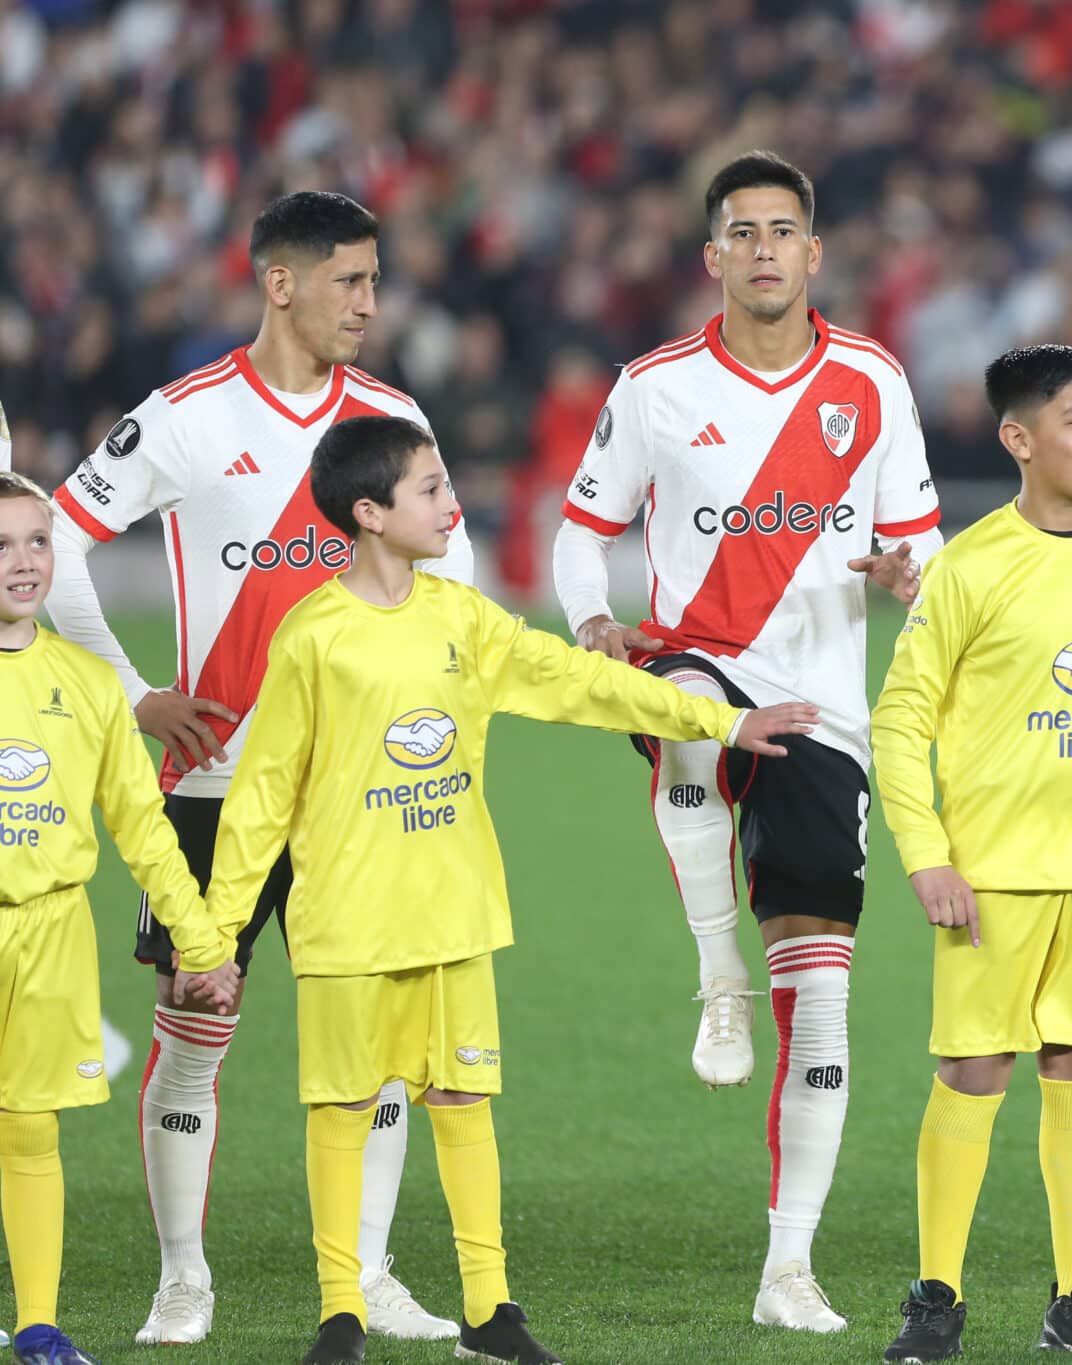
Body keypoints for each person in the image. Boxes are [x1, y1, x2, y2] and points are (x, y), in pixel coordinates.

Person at [182, 415, 818, 1365]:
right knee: (342, 1111)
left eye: (447, 483)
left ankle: (490, 1310)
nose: (451, 502)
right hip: (348, 927)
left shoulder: (461, 618)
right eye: (430, 488)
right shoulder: (314, 636)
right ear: (369, 512)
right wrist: (216, 939)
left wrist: (719, 721)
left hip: (454, 915)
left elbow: (580, 682)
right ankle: (339, 1313)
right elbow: (263, 797)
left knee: (464, 1102)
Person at [44, 190, 472, 1346]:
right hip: (209, 787)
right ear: (280, 283)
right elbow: (56, 537)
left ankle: (372, 1273)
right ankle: (183, 1275)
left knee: (379, 1046)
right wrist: (136, 693)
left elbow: (457, 579)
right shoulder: (184, 416)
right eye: (349, 280)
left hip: (359, 793)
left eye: (375, 280)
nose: (369, 303)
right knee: (194, 1020)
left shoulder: (391, 414)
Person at [552, 150, 941, 1331]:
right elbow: (581, 529)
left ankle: (787, 1269)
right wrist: (590, 620)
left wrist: (898, 574)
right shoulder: (657, 383)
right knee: (677, 722)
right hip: (692, 662)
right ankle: (714, 969)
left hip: (821, 705)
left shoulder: (871, 380)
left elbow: (918, 556)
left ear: (813, 254)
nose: (766, 248)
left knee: (819, 995)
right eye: (744, 232)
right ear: (712, 256)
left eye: (785, 230)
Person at [872, 345, 1072, 1363]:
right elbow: (901, 722)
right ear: (1019, 439)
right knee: (972, 1071)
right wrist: (926, 856)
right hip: (990, 875)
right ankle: (935, 1300)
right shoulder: (967, 565)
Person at [0, 471, 237, 1365]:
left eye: (36, 540)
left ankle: (37, 1325)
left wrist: (206, 941)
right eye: (1, 545)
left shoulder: (88, 683)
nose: (24, 563)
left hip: (51, 931)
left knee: (29, 1126)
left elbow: (144, 827)